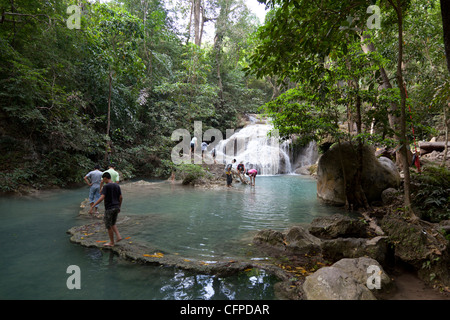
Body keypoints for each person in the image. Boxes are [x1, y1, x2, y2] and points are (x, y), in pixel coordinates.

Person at [90, 172, 123, 247]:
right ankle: (118, 236)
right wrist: (119, 207)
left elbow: (102, 197)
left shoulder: (106, 186)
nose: (103, 181)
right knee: (113, 223)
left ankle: (112, 242)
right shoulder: (117, 185)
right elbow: (121, 197)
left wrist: (93, 206)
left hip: (109, 208)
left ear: (105, 178)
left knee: (108, 226)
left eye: (103, 179)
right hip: (116, 207)